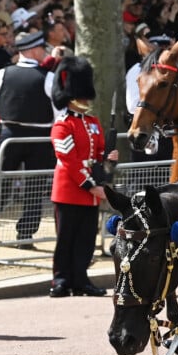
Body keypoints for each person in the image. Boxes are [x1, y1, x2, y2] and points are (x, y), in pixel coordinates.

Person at [0, 31, 58, 248]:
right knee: (35, 188)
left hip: (8, 136)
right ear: (33, 50)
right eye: (42, 48)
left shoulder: (3, 74)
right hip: (39, 138)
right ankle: (25, 235)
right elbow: (58, 113)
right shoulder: (48, 77)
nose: (44, 52)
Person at [49, 56, 118, 297]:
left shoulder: (93, 123)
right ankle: (60, 280)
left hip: (90, 192)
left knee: (85, 240)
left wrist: (109, 157)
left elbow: (98, 151)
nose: (86, 100)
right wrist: (91, 186)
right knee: (65, 239)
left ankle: (80, 279)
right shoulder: (62, 125)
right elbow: (69, 161)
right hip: (70, 190)